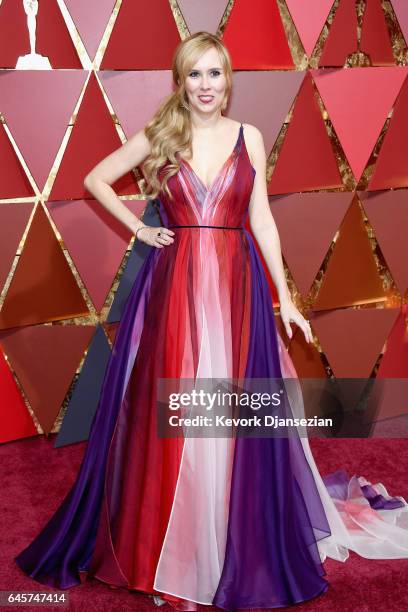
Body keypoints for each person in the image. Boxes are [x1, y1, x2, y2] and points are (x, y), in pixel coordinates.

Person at [15, 31, 408, 611]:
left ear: (229, 80)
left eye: (215, 74)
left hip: (235, 288)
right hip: (174, 291)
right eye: (194, 75)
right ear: (181, 80)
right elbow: (97, 179)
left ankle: (227, 543)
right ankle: (168, 551)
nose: (206, 86)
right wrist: (141, 229)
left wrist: (287, 298)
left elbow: (263, 222)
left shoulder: (248, 137)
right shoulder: (161, 134)